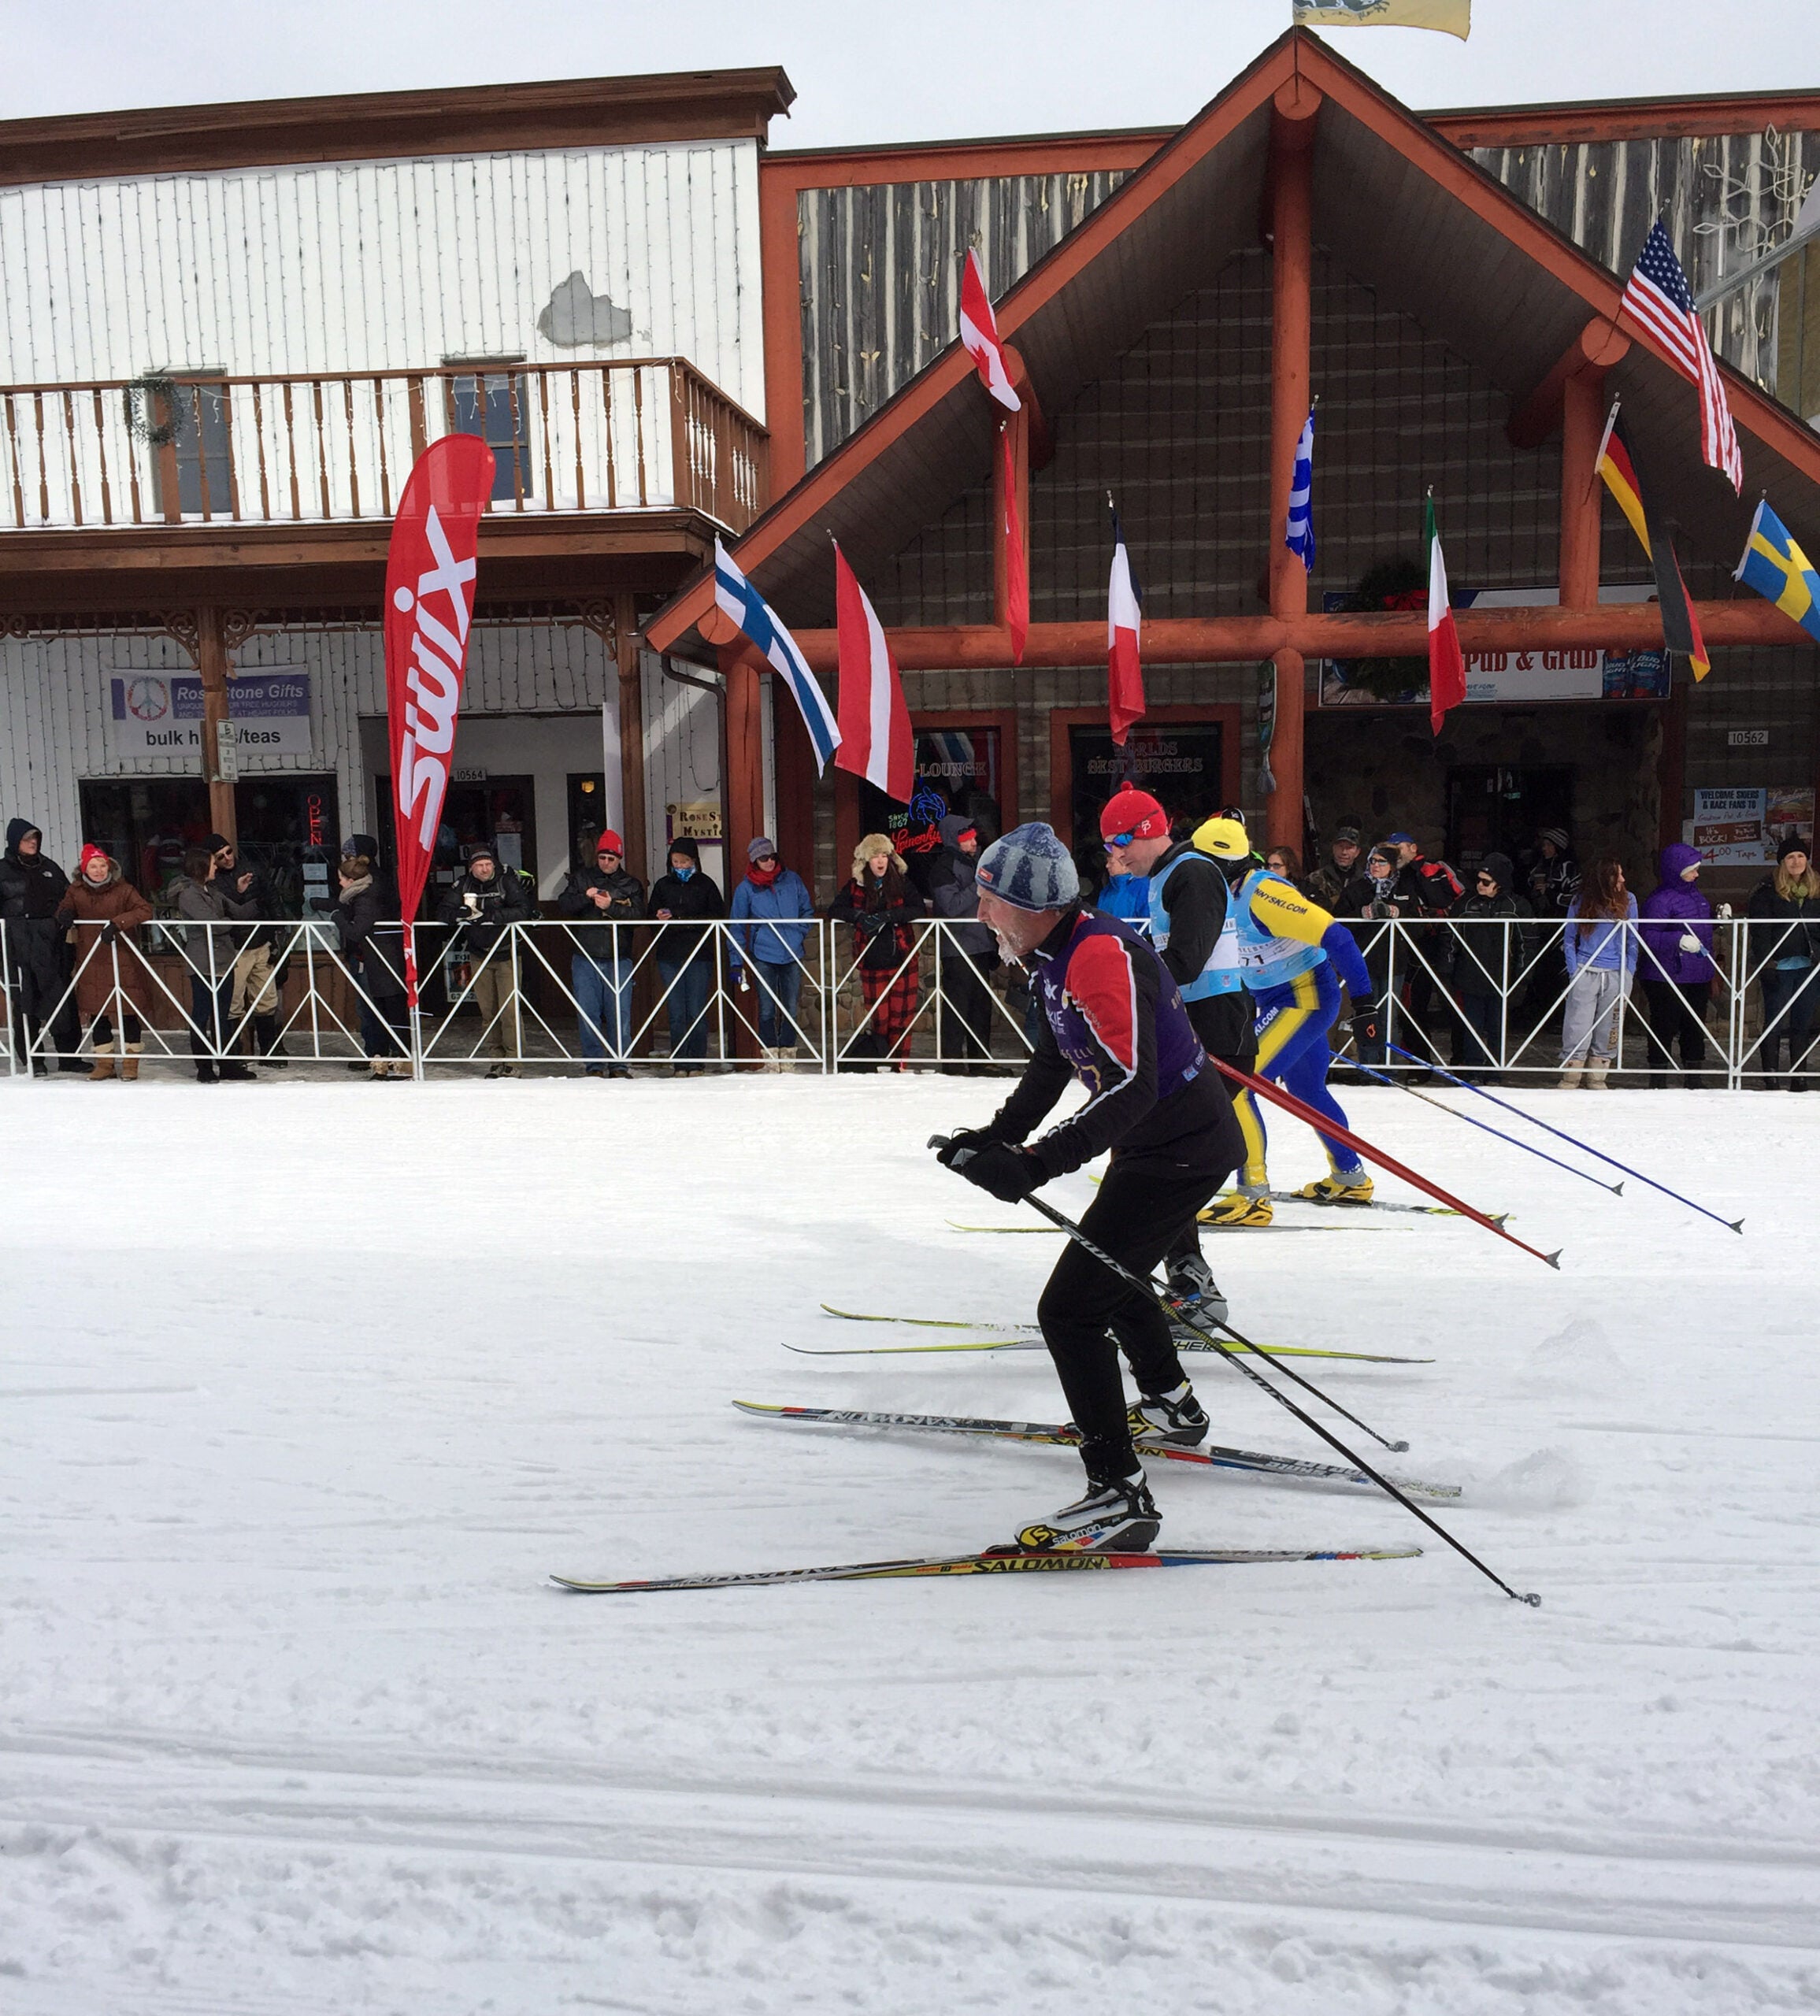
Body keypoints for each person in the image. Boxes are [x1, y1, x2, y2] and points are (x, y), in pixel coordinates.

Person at [932, 821, 1243, 1553]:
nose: (980, 916)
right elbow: (1053, 1057)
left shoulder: (1096, 954)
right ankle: (1170, 1403)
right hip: (1158, 1147)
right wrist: (998, 1137)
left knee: (1069, 1312)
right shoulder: (1053, 951)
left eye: (989, 902)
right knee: (1117, 1275)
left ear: (1032, 905)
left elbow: (1135, 1083)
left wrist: (1034, 1166)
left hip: (1179, 1150)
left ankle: (1118, 1494)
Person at [1098, 785, 1255, 1298]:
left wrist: (1119, 988)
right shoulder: (1165, 874)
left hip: (1217, 1037)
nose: (1112, 854)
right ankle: (1182, 1273)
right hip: (1193, 1035)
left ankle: (1186, 1281)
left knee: (1156, 1157)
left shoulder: (1192, 872)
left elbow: (1185, 961)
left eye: (1118, 841)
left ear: (1146, 831)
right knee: (1148, 1153)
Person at [1193, 814, 1377, 1203]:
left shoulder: (1264, 893)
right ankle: (1350, 1177)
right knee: (1307, 1089)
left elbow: (1338, 937)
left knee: (1237, 1084)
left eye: (1199, 862)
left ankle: (1252, 1194)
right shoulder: (1223, 895)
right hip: (1277, 1000)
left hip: (1304, 999)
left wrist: (1365, 1004)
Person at [54, 844, 155, 1080]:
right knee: (97, 1011)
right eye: (93, 866)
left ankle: (131, 1063)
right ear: (84, 869)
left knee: (128, 1011)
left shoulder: (124, 889)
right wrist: (65, 914)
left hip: (123, 958)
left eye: (102, 865)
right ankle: (105, 1062)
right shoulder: (75, 891)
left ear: (109, 867)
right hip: (92, 959)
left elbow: (144, 910)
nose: (98, 870)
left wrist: (118, 923)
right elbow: (64, 908)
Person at [437, 841, 535, 1077]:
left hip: (506, 952)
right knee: (488, 1011)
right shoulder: (463, 883)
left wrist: (490, 916)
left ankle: (514, 1061)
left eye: (488, 864)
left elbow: (524, 909)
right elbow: (443, 912)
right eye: (479, 865)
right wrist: (459, 913)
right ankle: (496, 1059)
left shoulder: (506, 879)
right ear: (471, 867)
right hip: (479, 952)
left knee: (509, 1011)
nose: (484, 869)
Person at [556, 829, 645, 1078]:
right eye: (603, 857)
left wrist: (611, 907)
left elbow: (638, 918)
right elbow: (564, 905)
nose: (606, 863)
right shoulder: (582, 879)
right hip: (585, 955)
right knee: (588, 1014)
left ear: (619, 859)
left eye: (611, 858)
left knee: (621, 1014)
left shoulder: (631, 884)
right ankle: (594, 1065)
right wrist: (586, 898)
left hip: (619, 956)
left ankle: (619, 1065)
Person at [1, 817, 83, 1073]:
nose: (33, 842)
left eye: (35, 838)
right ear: (15, 842)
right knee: (25, 1003)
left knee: (61, 998)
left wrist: (67, 914)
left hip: (52, 943)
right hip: (16, 946)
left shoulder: (50, 867)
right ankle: (33, 1060)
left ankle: (69, 1057)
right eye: (27, 838)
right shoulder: (2, 870)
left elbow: (68, 897)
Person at [171, 844, 259, 1083]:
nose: (216, 867)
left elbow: (236, 912)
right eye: (212, 863)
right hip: (203, 962)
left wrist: (247, 896)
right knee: (202, 1014)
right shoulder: (190, 894)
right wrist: (232, 921)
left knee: (222, 1015)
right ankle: (205, 1067)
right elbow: (214, 924)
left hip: (223, 960)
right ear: (201, 867)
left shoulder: (211, 890)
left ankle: (228, 1065)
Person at [832, 834, 920, 1071]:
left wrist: (890, 916)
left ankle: (900, 1065)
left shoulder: (901, 881)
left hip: (902, 957)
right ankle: (884, 1064)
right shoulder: (856, 885)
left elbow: (918, 908)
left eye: (884, 855)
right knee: (880, 1020)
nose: (880, 861)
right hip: (871, 961)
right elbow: (835, 909)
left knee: (901, 1019)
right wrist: (859, 916)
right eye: (875, 856)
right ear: (866, 860)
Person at [728, 836, 815, 1069]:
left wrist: (799, 932)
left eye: (771, 856)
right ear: (754, 861)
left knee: (790, 1006)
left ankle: (788, 1057)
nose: (768, 861)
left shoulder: (792, 880)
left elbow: (807, 910)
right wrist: (736, 961)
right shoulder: (746, 888)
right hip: (764, 954)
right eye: (763, 858)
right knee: (766, 1007)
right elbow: (735, 924)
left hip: (792, 952)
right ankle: (770, 1056)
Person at [926, 815, 1002, 1074]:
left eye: (973, 837)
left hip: (980, 943)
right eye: (967, 838)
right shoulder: (943, 867)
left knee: (981, 1007)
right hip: (957, 947)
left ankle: (980, 1061)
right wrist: (979, 884)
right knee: (957, 1006)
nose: (973, 841)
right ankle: (953, 1064)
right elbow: (951, 906)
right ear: (955, 840)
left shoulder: (974, 861)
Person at [1638, 842, 1716, 1089]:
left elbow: (1703, 933)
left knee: (1694, 1025)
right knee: (1664, 1024)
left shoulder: (1698, 897)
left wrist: (1719, 922)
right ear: (1677, 870)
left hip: (1697, 973)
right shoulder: (1660, 900)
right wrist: (1678, 940)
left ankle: (1694, 1077)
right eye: (1692, 869)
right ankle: (1658, 1078)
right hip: (1665, 974)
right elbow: (1648, 935)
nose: (1696, 874)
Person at [1452, 853, 1537, 1080]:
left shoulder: (1516, 905)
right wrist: (1447, 968)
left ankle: (1495, 1072)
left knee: (1497, 1028)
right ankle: (1473, 1070)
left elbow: (1526, 944)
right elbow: (1450, 937)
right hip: (1471, 975)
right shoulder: (1466, 903)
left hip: (1502, 977)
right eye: (1478, 880)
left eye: (1486, 882)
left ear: (1499, 882)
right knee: (1472, 1027)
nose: (1480, 885)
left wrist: (1523, 975)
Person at [1386, 830, 1464, 1072]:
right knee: (1412, 1006)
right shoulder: (1392, 876)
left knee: (1455, 1004)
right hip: (1412, 944)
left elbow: (1462, 898)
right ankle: (1419, 1064)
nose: (1395, 852)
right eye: (1391, 848)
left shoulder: (1437, 869)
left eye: (1399, 846)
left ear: (1413, 847)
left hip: (1445, 943)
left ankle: (1462, 1061)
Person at [1747, 836, 1820, 1089]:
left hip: (1809, 966)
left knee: (1802, 1023)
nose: (1796, 861)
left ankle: (1800, 1075)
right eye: (1790, 857)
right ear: (1781, 862)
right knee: (1775, 1022)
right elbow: (1761, 932)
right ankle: (1771, 1075)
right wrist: (1766, 963)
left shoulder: (1816, 889)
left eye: (1800, 856)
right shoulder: (1767, 890)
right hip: (1779, 966)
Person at [647, 836, 725, 1076]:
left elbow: (717, 915)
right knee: (677, 1012)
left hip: (699, 955)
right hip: (669, 955)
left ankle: (697, 1062)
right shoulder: (662, 885)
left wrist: (680, 916)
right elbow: (650, 918)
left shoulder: (706, 885)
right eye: (675, 861)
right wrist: (659, 917)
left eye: (684, 861)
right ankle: (680, 1063)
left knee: (697, 1010)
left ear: (694, 861)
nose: (680, 866)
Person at [209, 835, 287, 1066]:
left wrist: (280, 931)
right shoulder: (212, 880)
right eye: (220, 856)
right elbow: (221, 907)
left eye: (228, 852)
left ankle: (270, 1051)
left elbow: (273, 898)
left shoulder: (253, 868)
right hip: (234, 947)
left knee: (266, 999)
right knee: (233, 1003)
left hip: (261, 941)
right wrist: (238, 891)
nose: (227, 858)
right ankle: (233, 1055)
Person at [1559, 858, 1637, 1088]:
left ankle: (1598, 1076)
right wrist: (1574, 971)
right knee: (1577, 1024)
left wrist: (1629, 971)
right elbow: (1569, 937)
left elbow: (1634, 939)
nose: (1622, 879)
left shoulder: (1629, 900)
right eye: (1616, 875)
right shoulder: (1580, 900)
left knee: (1610, 1026)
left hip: (1616, 972)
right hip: (1586, 968)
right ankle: (1571, 1075)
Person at [334, 854, 410, 1077]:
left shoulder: (366, 898)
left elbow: (357, 931)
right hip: (379, 961)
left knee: (391, 1012)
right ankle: (386, 1061)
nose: (339, 882)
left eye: (341, 878)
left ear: (350, 880)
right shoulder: (361, 895)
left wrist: (337, 917)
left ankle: (401, 1062)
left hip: (384, 962)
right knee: (383, 1012)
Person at [1526, 825, 1581, 918]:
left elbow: (1576, 900)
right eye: (1544, 845)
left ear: (1558, 847)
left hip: (1563, 918)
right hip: (1540, 918)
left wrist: (1550, 893)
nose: (1544, 849)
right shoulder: (1538, 867)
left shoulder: (1569, 869)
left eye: (1549, 845)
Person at [1304, 825, 1363, 912]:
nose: (1344, 852)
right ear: (1334, 848)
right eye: (1340, 846)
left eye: (1349, 848)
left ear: (1357, 852)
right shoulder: (1315, 878)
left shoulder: (1365, 881)